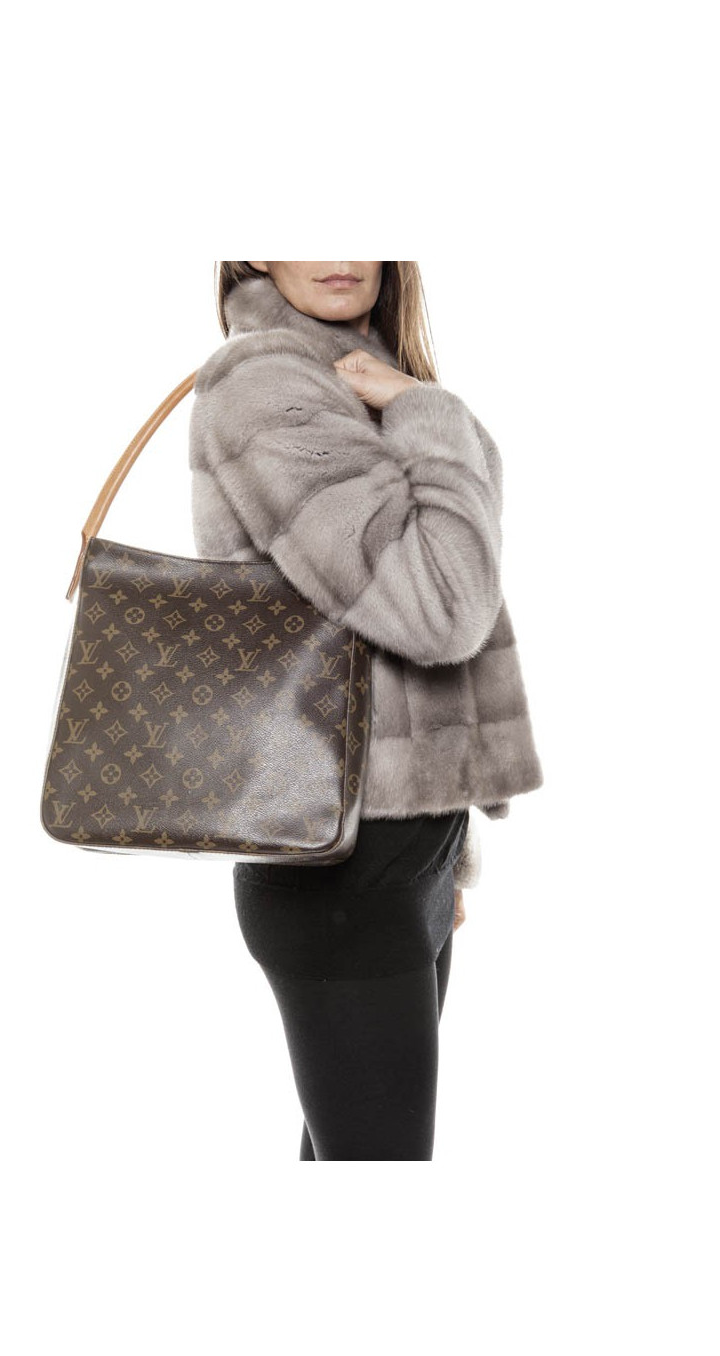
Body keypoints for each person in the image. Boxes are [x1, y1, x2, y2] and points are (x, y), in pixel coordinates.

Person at [189, 262, 543, 1160]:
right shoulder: (267, 384)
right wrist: (428, 412)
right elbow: (443, 607)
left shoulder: (355, 370)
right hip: (337, 867)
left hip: (399, 856)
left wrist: (443, 854)